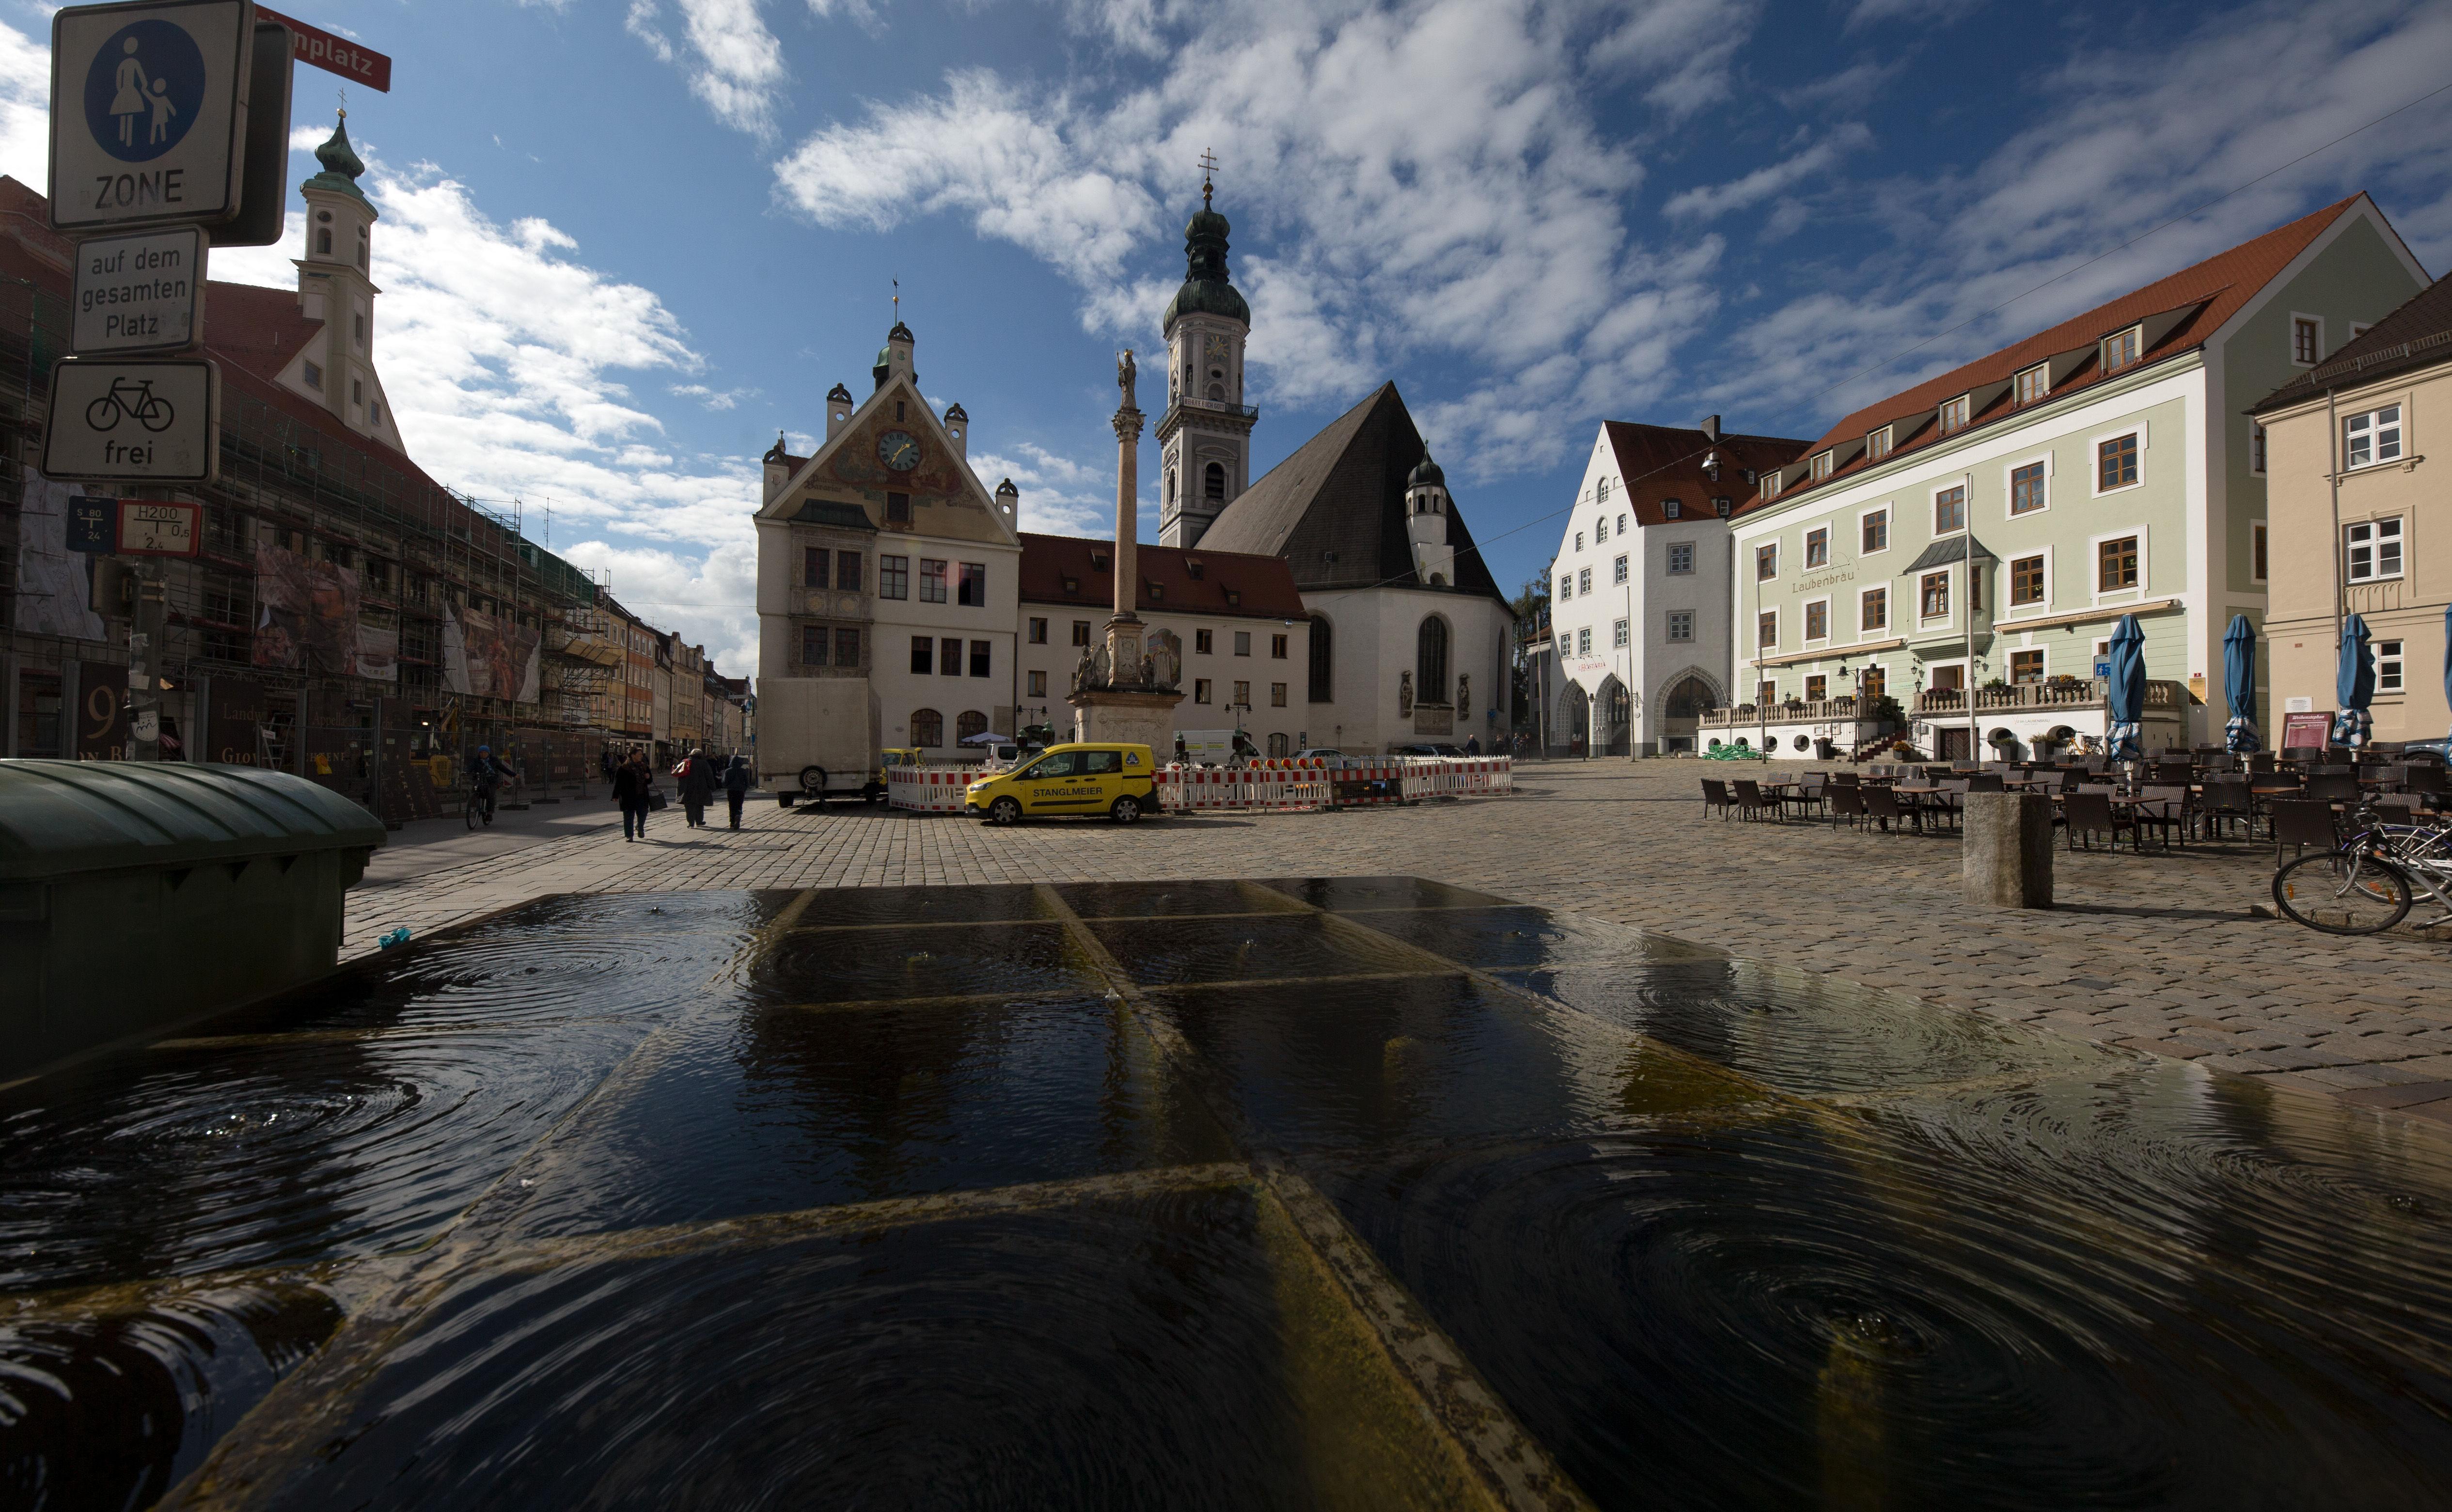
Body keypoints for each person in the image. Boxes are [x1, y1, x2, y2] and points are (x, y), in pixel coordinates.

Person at [613, 751, 653, 841]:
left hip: (642, 795)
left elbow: (650, 780)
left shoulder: (644, 766)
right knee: (628, 817)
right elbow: (619, 783)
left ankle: (640, 827)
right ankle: (629, 836)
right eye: (639, 755)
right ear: (633, 756)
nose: (641, 756)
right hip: (628, 796)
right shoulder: (624, 768)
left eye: (641, 755)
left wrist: (648, 777)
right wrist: (615, 796)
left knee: (643, 813)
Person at [468, 744, 514, 823]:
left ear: (488, 753)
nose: (483, 755)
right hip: (480, 778)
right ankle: (474, 806)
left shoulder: (494, 760)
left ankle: (490, 813)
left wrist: (514, 774)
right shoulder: (476, 760)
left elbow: (503, 769)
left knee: (490, 794)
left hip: (491, 780)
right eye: (481, 753)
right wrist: (466, 772)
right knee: (475, 790)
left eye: (485, 753)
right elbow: (470, 767)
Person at [676, 747, 716, 827]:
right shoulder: (704, 763)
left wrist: (680, 787)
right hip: (701, 788)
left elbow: (679, 775)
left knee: (689, 806)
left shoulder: (685, 762)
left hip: (687, 788)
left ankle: (691, 823)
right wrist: (713, 787)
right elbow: (709, 776)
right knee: (700, 805)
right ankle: (699, 822)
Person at [723, 753, 751, 830]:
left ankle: (732, 823)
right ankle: (738, 814)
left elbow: (725, 782)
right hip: (740, 791)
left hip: (731, 791)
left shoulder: (728, 771)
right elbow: (747, 782)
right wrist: (745, 788)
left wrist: (728, 787)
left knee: (732, 806)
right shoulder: (743, 771)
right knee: (739, 805)